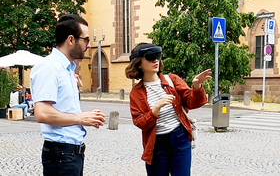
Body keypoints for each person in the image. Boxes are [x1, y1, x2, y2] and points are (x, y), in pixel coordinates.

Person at [30, 14, 106, 176]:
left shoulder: (66, 70)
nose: (89, 45)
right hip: (61, 155)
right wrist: (80, 118)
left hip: (70, 154)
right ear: (71, 40)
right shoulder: (49, 67)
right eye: (85, 39)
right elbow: (42, 113)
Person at [125, 43, 212, 176]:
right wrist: (157, 108)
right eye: (150, 57)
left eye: (158, 56)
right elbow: (140, 122)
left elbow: (193, 102)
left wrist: (196, 86)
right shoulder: (137, 93)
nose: (155, 60)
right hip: (156, 146)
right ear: (138, 63)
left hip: (180, 140)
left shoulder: (172, 80)